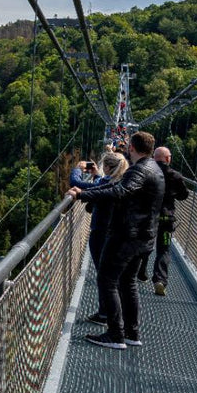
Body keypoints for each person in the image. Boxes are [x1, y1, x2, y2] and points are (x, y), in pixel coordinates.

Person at [66, 131, 164, 349]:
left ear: (131, 147)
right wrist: (84, 192)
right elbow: (115, 187)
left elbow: (119, 191)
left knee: (107, 280)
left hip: (127, 236)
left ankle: (115, 334)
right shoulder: (154, 169)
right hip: (144, 236)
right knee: (127, 283)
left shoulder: (139, 170)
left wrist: (81, 194)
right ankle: (131, 333)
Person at [70, 151, 129, 324]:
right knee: (110, 275)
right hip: (115, 231)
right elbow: (100, 184)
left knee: (104, 275)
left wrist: (77, 169)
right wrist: (96, 175)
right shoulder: (121, 181)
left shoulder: (107, 182)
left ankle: (106, 314)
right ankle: (110, 312)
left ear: (108, 167)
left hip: (101, 232)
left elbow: (76, 183)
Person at [137, 147, 189, 295]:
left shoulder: (147, 173)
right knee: (164, 250)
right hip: (166, 219)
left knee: (146, 245)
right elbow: (183, 195)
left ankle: (141, 272)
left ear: (154, 158)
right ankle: (160, 280)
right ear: (168, 158)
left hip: (149, 218)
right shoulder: (176, 175)